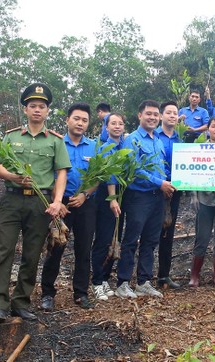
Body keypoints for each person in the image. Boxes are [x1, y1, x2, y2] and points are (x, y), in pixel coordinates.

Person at [0, 83, 71, 324]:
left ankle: (21, 302)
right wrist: (13, 176)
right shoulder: (11, 136)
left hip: (40, 204)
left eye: (41, 107)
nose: (37, 110)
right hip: (12, 200)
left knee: (32, 254)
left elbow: (61, 172)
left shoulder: (55, 140)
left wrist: (57, 202)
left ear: (47, 112)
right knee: (3, 251)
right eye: (32, 106)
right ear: (25, 110)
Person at [115, 99, 175, 299]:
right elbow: (134, 170)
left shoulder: (157, 139)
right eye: (148, 113)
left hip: (157, 198)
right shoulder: (132, 140)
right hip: (138, 197)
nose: (152, 117)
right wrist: (160, 183)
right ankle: (123, 282)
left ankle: (143, 282)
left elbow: (161, 167)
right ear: (139, 115)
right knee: (131, 239)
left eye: (155, 114)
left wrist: (166, 183)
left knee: (150, 240)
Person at [40, 102, 97, 311]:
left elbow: (98, 176)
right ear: (67, 120)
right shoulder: (55, 143)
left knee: (84, 250)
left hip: (85, 204)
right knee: (56, 247)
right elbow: (48, 174)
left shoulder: (93, 146)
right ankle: (47, 293)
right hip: (59, 204)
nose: (80, 123)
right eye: (76, 118)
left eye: (84, 120)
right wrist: (58, 200)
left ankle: (81, 293)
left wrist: (85, 194)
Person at [189, 117, 215, 287]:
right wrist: (194, 195)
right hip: (205, 200)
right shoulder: (200, 149)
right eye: (213, 126)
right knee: (202, 237)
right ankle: (195, 276)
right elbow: (192, 172)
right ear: (208, 130)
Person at [90, 112, 125, 301]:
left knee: (114, 239)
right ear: (106, 127)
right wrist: (112, 198)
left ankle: (105, 278)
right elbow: (109, 175)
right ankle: (96, 281)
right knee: (103, 240)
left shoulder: (124, 147)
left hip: (121, 196)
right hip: (106, 198)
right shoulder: (104, 148)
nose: (117, 126)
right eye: (113, 123)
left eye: (120, 123)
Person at [156, 101, 182, 289]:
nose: (172, 116)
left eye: (175, 113)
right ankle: (143, 276)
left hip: (174, 191)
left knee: (168, 232)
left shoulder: (179, 140)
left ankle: (164, 275)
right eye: (169, 112)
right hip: (154, 190)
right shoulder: (154, 136)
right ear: (161, 116)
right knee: (150, 233)